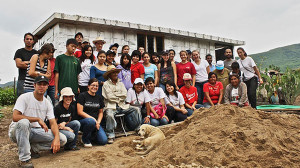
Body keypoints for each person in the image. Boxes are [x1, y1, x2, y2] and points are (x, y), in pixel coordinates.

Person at [8, 76, 67, 168]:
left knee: (62, 139)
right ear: (34, 85)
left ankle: (32, 148)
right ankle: (24, 160)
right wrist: (37, 119)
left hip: (35, 132)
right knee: (24, 122)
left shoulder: (47, 103)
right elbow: (15, 117)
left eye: (44, 84)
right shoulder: (24, 97)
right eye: (39, 84)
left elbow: (53, 122)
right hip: (17, 131)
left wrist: (56, 138)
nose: (42, 87)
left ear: (47, 86)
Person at [102, 65, 139, 143]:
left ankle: (136, 128)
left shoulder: (120, 83)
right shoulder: (105, 84)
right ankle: (110, 134)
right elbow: (109, 97)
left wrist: (115, 95)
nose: (115, 74)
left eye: (116, 72)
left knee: (136, 109)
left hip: (122, 106)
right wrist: (119, 96)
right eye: (113, 73)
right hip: (110, 106)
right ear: (109, 75)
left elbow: (125, 94)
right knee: (109, 114)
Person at [77, 78, 108, 147]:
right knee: (90, 121)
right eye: (93, 85)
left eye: (96, 86)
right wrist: (93, 119)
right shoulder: (82, 96)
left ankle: (91, 136)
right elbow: (79, 112)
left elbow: (101, 112)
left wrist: (98, 122)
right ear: (88, 86)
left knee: (103, 141)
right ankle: (85, 139)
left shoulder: (99, 98)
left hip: (96, 123)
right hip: (84, 122)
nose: (95, 87)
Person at [14, 32, 37, 97]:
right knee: (21, 101)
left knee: (33, 100)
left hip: (33, 81)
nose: (29, 41)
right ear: (24, 40)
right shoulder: (19, 52)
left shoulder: (36, 53)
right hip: (22, 80)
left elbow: (38, 66)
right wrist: (32, 64)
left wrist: (25, 62)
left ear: (33, 41)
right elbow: (19, 64)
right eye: (27, 39)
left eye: (30, 39)